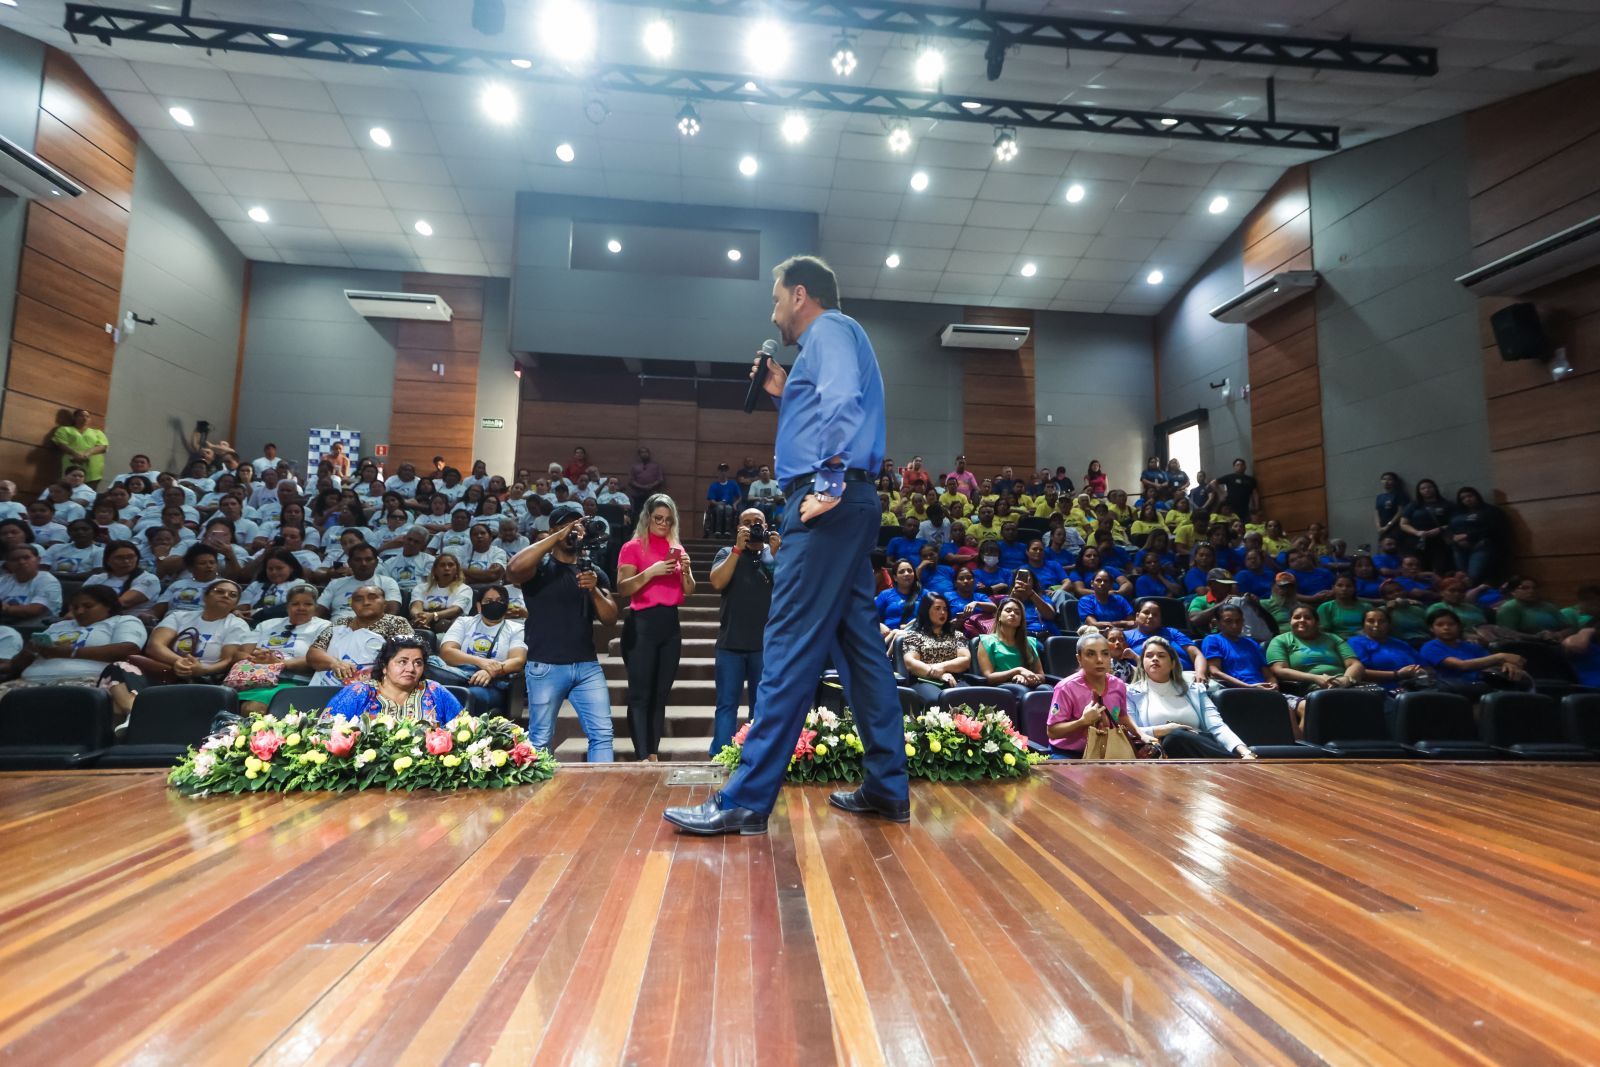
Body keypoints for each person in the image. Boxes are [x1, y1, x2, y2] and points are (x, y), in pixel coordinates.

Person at [666, 254, 905, 835]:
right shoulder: (826, 344)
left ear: (800, 294)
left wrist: (826, 483)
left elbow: (844, 401)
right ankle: (887, 787)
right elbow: (824, 405)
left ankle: (745, 799)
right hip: (846, 501)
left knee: (788, 643)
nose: (773, 313)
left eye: (776, 299)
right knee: (858, 650)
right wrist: (782, 388)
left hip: (825, 502)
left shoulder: (830, 330)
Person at [508, 502, 620, 762]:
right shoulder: (539, 568)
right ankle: (537, 800)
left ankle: (600, 796)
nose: (573, 531)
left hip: (587, 666)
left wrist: (592, 589)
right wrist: (556, 536)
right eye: (566, 525)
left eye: (577, 525)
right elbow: (513, 569)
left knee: (602, 734)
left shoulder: (592, 570)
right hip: (545, 665)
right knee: (540, 738)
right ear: (553, 531)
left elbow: (610, 618)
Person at [616, 494, 695, 761]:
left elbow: (689, 590)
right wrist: (651, 571)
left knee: (660, 695)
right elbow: (623, 587)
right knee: (640, 694)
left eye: (668, 519)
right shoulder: (632, 547)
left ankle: (653, 753)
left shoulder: (677, 548)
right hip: (642, 625)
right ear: (647, 517)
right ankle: (641, 756)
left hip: (670, 624)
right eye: (658, 518)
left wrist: (686, 571)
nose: (663, 523)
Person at [707, 508, 778, 755]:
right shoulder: (727, 553)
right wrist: (737, 549)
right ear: (738, 528)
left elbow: (788, 588)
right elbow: (717, 582)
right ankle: (721, 758)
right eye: (746, 523)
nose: (752, 527)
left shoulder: (775, 555)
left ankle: (754, 757)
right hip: (730, 645)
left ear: (767, 526)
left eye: (757, 522)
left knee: (760, 708)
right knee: (726, 705)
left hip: (765, 647)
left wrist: (774, 553)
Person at [0, 586, 145, 694]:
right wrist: (29, 651)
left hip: (84, 682)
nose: (79, 611)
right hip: (28, 681)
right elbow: (16, 666)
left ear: (108, 606)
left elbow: (128, 650)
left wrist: (70, 652)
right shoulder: (58, 626)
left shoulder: (123, 621)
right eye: (75, 607)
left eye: (88, 606)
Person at [1127, 637, 1254, 758]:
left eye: (1161, 655)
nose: (1154, 659)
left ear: (1172, 663)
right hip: (1160, 753)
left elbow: (1217, 726)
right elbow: (1130, 732)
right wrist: (1165, 730)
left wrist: (1244, 751)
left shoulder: (1194, 690)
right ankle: (1232, 765)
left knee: (1176, 737)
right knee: (1174, 737)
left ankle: (1233, 762)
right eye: (1149, 656)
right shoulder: (1131, 693)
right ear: (1142, 663)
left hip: (1200, 748)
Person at [425, 585, 527, 715]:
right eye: (488, 601)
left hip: (490, 683)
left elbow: (518, 660)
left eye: (500, 601)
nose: (494, 604)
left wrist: (491, 671)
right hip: (457, 676)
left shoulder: (516, 628)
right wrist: (481, 662)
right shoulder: (464, 622)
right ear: (479, 606)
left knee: (468, 695)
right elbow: (447, 652)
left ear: (506, 605)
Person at [1265, 605, 1364, 730]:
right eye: (1297, 617)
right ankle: (1306, 745)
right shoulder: (1280, 640)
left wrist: (1345, 680)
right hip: (1309, 686)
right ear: (1290, 621)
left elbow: (1355, 664)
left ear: (1317, 622)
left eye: (1307, 618)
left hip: (1343, 684)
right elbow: (1279, 670)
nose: (1302, 620)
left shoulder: (1332, 638)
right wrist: (1316, 678)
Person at [235, 585, 330, 713]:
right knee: (221, 699)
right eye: (295, 604)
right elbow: (241, 654)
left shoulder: (325, 627)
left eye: (308, 604)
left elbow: (318, 660)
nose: (301, 608)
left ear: (316, 607)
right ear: (287, 606)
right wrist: (255, 658)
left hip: (296, 682)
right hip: (255, 679)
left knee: (253, 708)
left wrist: (278, 663)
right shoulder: (266, 625)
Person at [324, 636, 463, 723]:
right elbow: (325, 732)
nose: (411, 669)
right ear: (384, 666)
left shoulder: (434, 691)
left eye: (418, 663)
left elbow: (464, 730)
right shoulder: (358, 692)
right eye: (402, 662)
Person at [306, 584, 413, 685]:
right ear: (351, 605)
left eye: (372, 597)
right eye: (358, 599)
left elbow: (407, 659)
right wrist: (334, 663)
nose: (366, 602)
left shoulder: (396, 623)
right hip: (324, 687)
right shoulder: (340, 623)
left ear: (384, 603)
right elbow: (313, 653)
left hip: (372, 690)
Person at [1045, 631, 1128, 757]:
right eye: (1091, 654)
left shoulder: (1119, 685)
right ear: (1079, 659)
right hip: (1069, 754)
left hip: (1108, 750)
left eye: (1105, 654)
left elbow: (1122, 717)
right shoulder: (1065, 688)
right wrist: (1083, 721)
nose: (1100, 660)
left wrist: (1142, 735)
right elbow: (1052, 732)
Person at [1419, 609, 1530, 697]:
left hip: (1484, 684)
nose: (1446, 628)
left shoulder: (1470, 646)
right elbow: (1462, 665)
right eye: (1440, 625)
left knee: (1521, 679)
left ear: (1459, 627)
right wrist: (1501, 656)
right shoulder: (1430, 647)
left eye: (1451, 624)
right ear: (1431, 629)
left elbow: (1491, 662)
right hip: (1454, 689)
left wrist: (1507, 664)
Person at [899, 590, 970, 706]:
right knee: (937, 700)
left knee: (971, 697)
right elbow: (910, 663)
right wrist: (939, 674)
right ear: (926, 611)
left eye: (945, 609)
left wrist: (941, 667)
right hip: (924, 680)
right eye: (937, 608)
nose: (942, 612)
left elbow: (965, 660)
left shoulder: (956, 635)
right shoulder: (914, 636)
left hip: (955, 679)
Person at [975, 596, 1049, 700]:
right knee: (1023, 693)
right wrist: (1017, 671)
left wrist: (1026, 678)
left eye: (1017, 613)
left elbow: (1041, 675)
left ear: (1020, 621)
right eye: (1008, 611)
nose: (1013, 614)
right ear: (999, 616)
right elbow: (989, 677)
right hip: (1000, 687)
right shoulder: (986, 641)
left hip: (1026, 684)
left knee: (1047, 689)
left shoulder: (1030, 642)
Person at [1347, 607, 1428, 692]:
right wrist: (1397, 674)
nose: (1376, 625)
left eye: (1381, 621)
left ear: (1389, 624)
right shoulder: (1356, 642)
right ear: (1363, 624)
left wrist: (1421, 671)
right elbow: (1359, 672)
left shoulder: (1400, 643)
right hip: (1380, 690)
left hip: (1416, 686)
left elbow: (1426, 666)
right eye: (1371, 621)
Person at [1198, 604, 1276, 693]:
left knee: (1292, 704)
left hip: (1263, 690)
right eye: (1228, 621)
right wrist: (1249, 687)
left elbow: (1268, 675)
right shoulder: (1212, 640)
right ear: (1218, 623)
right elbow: (1215, 672)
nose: (1234, 625)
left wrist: (1273, 685)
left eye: (1238, 621)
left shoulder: (1252, 643)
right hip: (1236, 692)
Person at [1125, 600, 1208, 679]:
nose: (1150, 616)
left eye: (1155, 614)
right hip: (1149, 680)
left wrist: (1200, 673)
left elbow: (1196, 654)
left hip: (1188, 677)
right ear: (1137, 616)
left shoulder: (1172, 632)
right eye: (1146, 612)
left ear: (1160, 620)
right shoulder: (1126, 636)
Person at [320, 543, 402, 621]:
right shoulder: (335, 583)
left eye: (368, 559)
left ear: (376, 562)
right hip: (337, 629)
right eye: (358, 560)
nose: (363, 564)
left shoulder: (387, 582)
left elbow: (392, 611)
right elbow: (319, 609)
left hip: (373, 629)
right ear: (350, 563)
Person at [1448, 486, 1508, 584]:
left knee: (1474, 576)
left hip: (1481, 546)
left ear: (1477, 496)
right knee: (1462, 577)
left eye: (1470, 496)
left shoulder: (1489, 510)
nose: (1467, 499)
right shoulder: (1456, 513)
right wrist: (1452, 538)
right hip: (1459, 548)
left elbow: (1494, 529)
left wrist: (1468, 536)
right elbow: (1449, 528)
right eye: (1463, 498)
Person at [0, 545, 64, 627]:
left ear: (38, 560)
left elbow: (35, 610)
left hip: (35, 627)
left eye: (26, 558)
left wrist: (5, 608)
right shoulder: (3, 580)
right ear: (7, 564)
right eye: (15, 559)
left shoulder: (47, 580)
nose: (21, 562)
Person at [50, 409, 109, 485]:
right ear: (74, 418)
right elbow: (61, 444)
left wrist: (86, 454)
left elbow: (103, 446)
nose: (85, 418)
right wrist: (75, 454)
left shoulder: (97, 432)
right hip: (71, 466)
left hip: (92, 470)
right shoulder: (64, 430)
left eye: (87, 416)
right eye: (81, 416)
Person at [875, 559, 921, 643]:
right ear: (895, 578)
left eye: (910, 571)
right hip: (890, 637)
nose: (906, 573)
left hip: (917, 638)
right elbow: (872, 616)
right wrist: (880, 625)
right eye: (902, 571)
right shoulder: (885, 595)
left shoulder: (925, 595)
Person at [1316, 574, 1370, 639]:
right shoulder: (1325, 608)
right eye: (1340, 585)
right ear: (1333, 588)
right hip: (1337, 642)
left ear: (1355, 589)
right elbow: (1324, 632)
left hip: (1363, 641)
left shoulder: (1366, 607)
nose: (1344, 589)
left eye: (1348, 586)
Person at [705, 463, 741, 538]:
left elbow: (739, 497)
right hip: (716, 506)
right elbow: (711, 500)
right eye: (721, 470)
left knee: (728, 508)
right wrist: (718, 503)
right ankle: (718, 530)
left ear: (727, 472)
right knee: (720, 508)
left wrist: (735, 504)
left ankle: (727, 531)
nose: (723, 472)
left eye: (725, 470)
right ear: (718, 472)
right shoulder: (714, 485)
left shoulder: (732, 484)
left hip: (729, 505)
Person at [627, 447, 666, 515]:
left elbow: (660, 480)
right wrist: (642, 487)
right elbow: (631, 481)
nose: (644, 454)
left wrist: (651, 486)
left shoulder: (656, 466)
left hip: (652, 494)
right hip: (638, 495)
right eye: (642, 452)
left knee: (653, 513)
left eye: (646, 452)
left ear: (649, 454)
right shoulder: (635, 467)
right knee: (638, 514)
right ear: (639, 455)